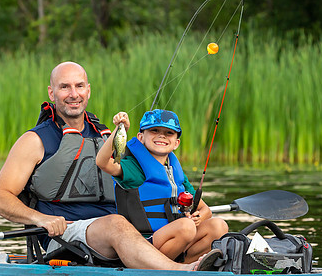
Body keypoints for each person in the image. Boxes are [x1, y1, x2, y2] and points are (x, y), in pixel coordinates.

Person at [0, 61, 221, 271]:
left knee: (214, 225)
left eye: (79, 86)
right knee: (116, 223)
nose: (73, 94)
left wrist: (194, 208)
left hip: (128, 233)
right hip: (67, 235)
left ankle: (195, 267)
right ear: (52, 92)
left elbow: (154, 174)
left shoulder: (108, 136)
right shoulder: (35, 140)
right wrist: (40, 219)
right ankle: (180, 271)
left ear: (88, 90)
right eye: (64, 87)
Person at [96, 109, 229, 264]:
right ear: (140, 137)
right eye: (154, 130)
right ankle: (165, 268)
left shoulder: (175, 172)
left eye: (169, 133)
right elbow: (102, 162)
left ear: (176, 143)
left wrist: (199, 218)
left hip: (176, 239)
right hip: (141, 245)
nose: (162, 135)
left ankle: (185, 268)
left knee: (218, 226)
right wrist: (120, 130)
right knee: (186, 228)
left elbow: (205, 210)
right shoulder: (133, 167)